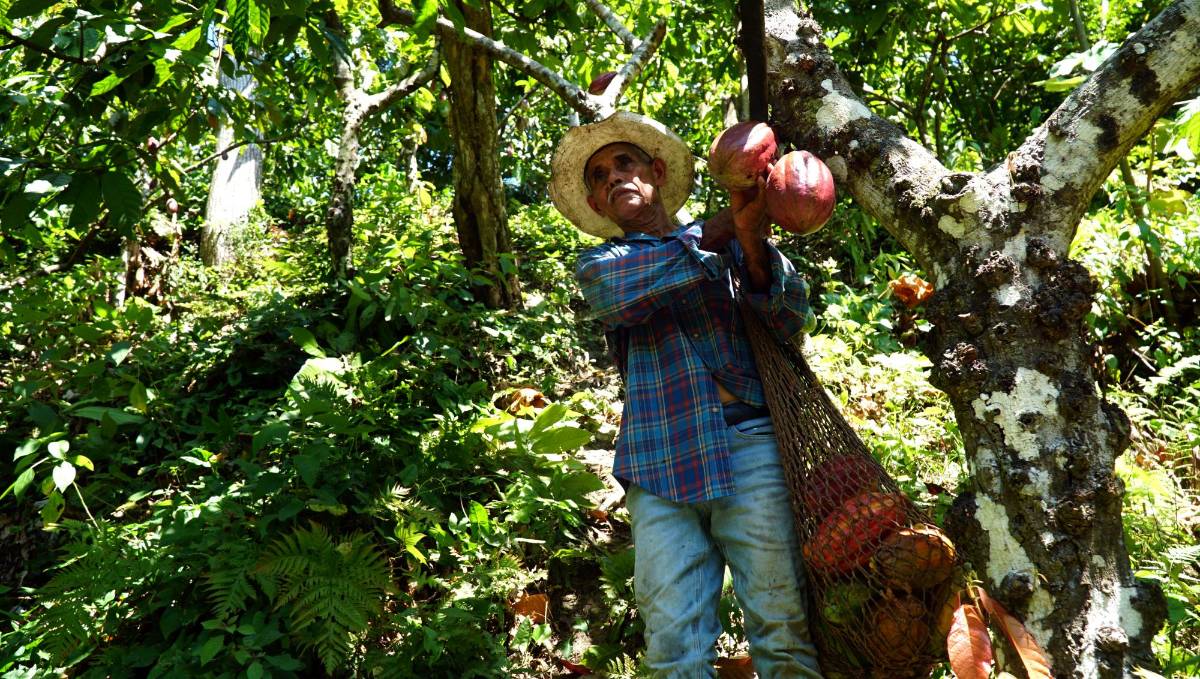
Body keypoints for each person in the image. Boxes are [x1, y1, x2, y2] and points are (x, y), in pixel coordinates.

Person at [549, 111, 823, 678]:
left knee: (783, 631)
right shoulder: (602, 263)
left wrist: (751, 246)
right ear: (598, 206)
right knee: (673, 649)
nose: (612, 177)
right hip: (658, 466)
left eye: (623, 163)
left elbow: (791, 315)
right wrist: (727, 226)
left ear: (655, 171)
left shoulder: (729, 240)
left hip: (748, 445)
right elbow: (624, 292)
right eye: (599, 176)